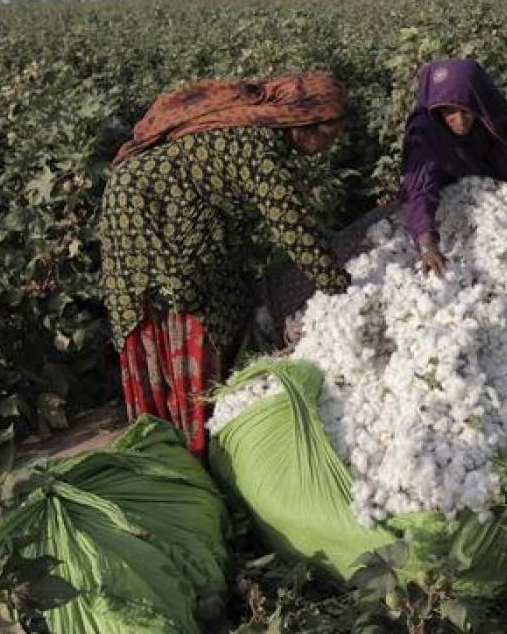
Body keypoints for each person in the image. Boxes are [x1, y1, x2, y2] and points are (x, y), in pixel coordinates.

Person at [99, 71, 351, 456]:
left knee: (228, 290)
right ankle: (191, 444)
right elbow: (296, 230)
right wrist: (343, 291)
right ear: (305, 122)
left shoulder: (260, 136)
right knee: (193, 303)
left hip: (154, 203)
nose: (336, 136)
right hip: (148, 214)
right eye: (333, 127)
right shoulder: (259, 147)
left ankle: (195, 438)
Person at [399, 58, 507, 275]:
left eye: (466, 111)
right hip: (442, 201)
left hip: (489, 196)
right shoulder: (426, 130)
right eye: (448, 111)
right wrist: (427, 244)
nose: (459, 120)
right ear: (435, 109)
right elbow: (419, 187)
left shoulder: (492, 117)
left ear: (478, 103)